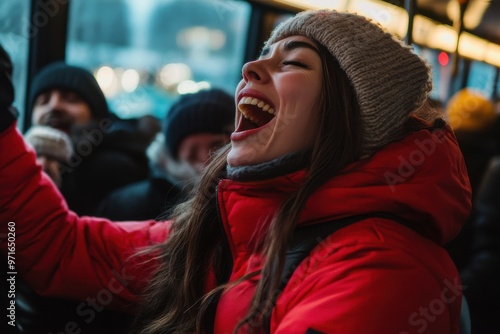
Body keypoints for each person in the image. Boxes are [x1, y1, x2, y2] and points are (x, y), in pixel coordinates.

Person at [0, 10, 472, 334]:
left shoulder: (387, 269)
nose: (250, 67)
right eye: (262, 55)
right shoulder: (230, 233)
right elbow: (58, 247)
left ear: (348, 118)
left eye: (292, 62)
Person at [27, 61, 154, 216]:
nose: (53, 106)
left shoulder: (119, 168)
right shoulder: (21, 163)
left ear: (96, 114)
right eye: (43, 101)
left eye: (70, 99)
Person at [96, 88, 235, 221]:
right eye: (192, 154)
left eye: (218, 148)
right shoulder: (125, 207)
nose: (206, 160)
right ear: (174, 158)